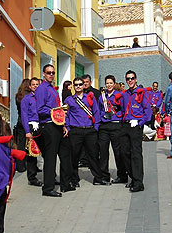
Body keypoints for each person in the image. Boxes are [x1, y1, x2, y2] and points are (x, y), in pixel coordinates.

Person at [35, 64, 72, 197]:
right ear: (43, 74)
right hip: (49, 126)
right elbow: (40, 109)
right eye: (48, 73)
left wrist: (63, 125)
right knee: (50, 158)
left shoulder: (53, 89)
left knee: (65, 153)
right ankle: (48, 188)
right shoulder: (41, 89)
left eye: (53, 73)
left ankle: (65, 184)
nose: (51, 75)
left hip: (58, 125)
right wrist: (54, 111)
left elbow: (58, 110)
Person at [65, 77, 108, 186]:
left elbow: (96, 112)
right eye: (76, 85)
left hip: (90, 131)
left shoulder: (90, 97)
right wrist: (68, 128)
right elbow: (66, 116)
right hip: (75, 131)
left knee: (93, 155)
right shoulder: (69, 100)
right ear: (73, 87)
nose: (78, 86)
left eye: (80, 84)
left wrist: (96, 127)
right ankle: (74, 179)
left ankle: (98, 178)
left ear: (84, 86)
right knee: (74, 156)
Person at [119, 70, 151, 192]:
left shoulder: (142, 93)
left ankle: (138, 183)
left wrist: (139, 122)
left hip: (136, 126)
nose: (130, 81)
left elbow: (147, 112)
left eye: (132, 78)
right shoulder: (125, 94)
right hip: (125, 125)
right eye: (128, 79)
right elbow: (122, 109)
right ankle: (133, 177)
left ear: (136, 79)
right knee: (125, 153)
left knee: (136, 154)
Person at [98, 75, 128, 184]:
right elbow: (99, 109)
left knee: (118, 152)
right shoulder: (102, 96)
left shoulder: (119, 95)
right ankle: (104, 176)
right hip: (104, 127)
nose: (109, 85)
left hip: (116, 126)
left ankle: (122, 175)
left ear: (114, 84)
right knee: (103, 152)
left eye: (111, 83)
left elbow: (124, 109)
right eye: (107, 83)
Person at [15, 78, 42, 186]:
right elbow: (24, 116)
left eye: (37, 84)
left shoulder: (42, 98)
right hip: (31, 127)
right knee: (32, 154)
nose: (35, 86)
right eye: (33, 84)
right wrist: (27, 131)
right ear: (30, 87)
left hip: (42, 126)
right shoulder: (26, 99)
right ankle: (32, 178)